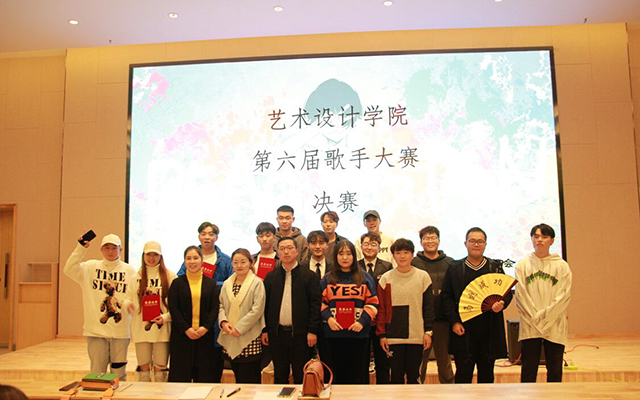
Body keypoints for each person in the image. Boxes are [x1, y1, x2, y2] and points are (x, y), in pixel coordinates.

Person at [441, 227, 512, 384]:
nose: (476, 244)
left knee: (487, 374)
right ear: (465, 243)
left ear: (485, 244)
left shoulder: (495, 267)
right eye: (472, 241)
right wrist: (454, 322)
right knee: (463, 373)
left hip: (489, 327)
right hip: (463, 328)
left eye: (480, 241)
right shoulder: (455, 268)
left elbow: (507, 292)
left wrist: (502, 304)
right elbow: (446, 297)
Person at [63, 233, 136, 380]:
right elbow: (69, 269)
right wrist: (80, 248)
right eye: (106, 248)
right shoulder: (90, 267)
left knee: (119, 374)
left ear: (121, 250)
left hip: (120, 332)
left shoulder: (129, 270)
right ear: (101, 249)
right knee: (97, 373)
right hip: (95, 331)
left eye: (114, 248)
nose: (110, 251)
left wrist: (128, 304)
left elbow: (132, 294)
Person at [515, 223, 571, 383]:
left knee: (555, 368)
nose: (540, 240)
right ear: (531, 239)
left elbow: (564, 295)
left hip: (554, 323)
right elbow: (521, 295)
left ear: (552, 240)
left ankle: (554, 394)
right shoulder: (523, 265)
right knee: (528, 367)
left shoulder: (561, 266)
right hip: (530, 323)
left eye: (544, 237)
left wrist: (546, 317)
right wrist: (535, 317)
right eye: (536, 236)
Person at [176, 221, 232, 382]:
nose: (207, 237)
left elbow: (231, 283)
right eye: (203, 234)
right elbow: (180, 279)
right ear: (199, 236)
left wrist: (211, 285)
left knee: (212, 361)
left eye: (211, 234)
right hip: (191, 314)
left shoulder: (225, 260)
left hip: (214, 312)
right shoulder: (192, 257)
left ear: (216, 237)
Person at [262, 237, 321, 384]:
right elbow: (265, 306)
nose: (286, 252)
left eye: (289, 248)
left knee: (301, 375)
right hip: (277, 335)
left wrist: (312, 331)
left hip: (301, 336)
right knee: (280, 375)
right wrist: (265, 330)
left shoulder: (309, 276)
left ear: (297, 251)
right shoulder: (271, 277)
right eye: (282, 249)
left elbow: (315, 305)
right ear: (278, 252)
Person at [377, 239, 434, 384]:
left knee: (414, 377)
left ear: (412, 255)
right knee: (396, 378)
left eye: (406, 252)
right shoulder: (385, 278)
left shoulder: (423, 277)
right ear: (393, 256)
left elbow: (428, 307)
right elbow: (382, 309)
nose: (402, 256)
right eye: (398, 253)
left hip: (417, 336)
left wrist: (428, 332)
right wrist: (382, 334)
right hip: (393, 337)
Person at [321, 240, 378, 384]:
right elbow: (320, 303)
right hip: (334, 334)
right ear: (336, 256)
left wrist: (362, 322)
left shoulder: (365, 278)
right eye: (341, 254)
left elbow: (373, 303)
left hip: (359, 334)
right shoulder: (327, 279)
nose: (345, 257)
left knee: (358, 377)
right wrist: (329, 319)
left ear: (354, 256)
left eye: (348, 253)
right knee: (336, 378)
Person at [123, 241, 177, 382]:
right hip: (141, 329)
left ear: (161, 256)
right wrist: (127, 304)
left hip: (162, 330)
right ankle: (144, 392)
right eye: (148, 254)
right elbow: (127, 298)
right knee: (143, 367)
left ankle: (160, 392)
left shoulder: (170, 276)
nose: (151, 258)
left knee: (160, 367)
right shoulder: (136, 277)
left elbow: (176, 305)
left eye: (155, 255)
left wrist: (165, 317)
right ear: (143, 256)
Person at [168, 246, 220, 382]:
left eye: (196, 258)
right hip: (182, 335)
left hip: (204, 336)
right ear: (184, 261)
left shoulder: (211, 284)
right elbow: (173, 308)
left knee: (203, 378)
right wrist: (186, 329)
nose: (192, 262)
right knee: (180, 377)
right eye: (188, 258)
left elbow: (215, 308)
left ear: (202, 260)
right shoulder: (177, 283)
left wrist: (205, 328)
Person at [411, 226, 455, 384]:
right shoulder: (413, 262)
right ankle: (417, 389)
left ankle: (448, 388)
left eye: (433, 238)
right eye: (426, 238)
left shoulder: (450, 262)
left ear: (439, 240)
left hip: (443, 319)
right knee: (419, 358)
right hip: (420, 319)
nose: (430, 241)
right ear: (421, 242)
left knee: (444, 358)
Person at [218, 249, 266, 384]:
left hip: (249, 337)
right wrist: (223, 322)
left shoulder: (257, 283)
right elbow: (220, 305)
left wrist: (239, 328)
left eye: (243, 262)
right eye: (235, 262)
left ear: (251, 263)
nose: (239, 265)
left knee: (250, 381)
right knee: (237, 378)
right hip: (229, 334)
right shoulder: (227, 283)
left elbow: (257, 310)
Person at [357, 232, 393, 384]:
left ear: (379, 248)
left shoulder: (387, 266)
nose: (369, 247)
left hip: (380, 319)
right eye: (366, 244)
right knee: (361, 360)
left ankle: (383, 391)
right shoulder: (355, 266)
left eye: (373, 244)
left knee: (382, 361)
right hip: (361, 319)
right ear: (361, 247)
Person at [300, 230, 335, 370]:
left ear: (327, 245)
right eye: (314, 243)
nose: (318, 246)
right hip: (307, 321)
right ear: (308, 246)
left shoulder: (334, 267)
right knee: (306, 363)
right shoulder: (301, 267)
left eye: (321, 243)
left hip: (330, 321)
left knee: (329, 361)